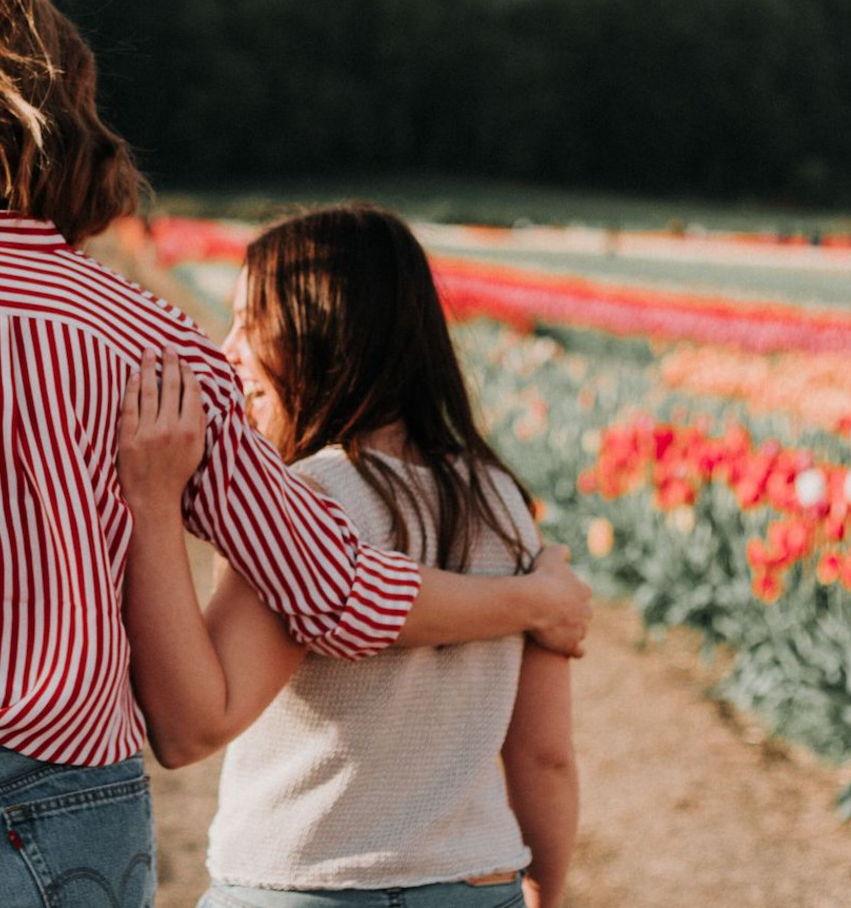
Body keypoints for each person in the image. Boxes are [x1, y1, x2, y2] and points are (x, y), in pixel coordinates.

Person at [0, 0, 591, 908]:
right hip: (64, 799)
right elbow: (332, 590)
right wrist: (527, 603)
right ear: (67, 111)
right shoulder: (148, 340)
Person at [115, 203, 578, 908]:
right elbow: (544, 755)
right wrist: (544, 884)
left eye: (250, 323)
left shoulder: (302, 499)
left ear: (320, 331)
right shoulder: (504, 503)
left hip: (306, 881)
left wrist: (153, 504)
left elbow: (189, 726)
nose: (228, 350)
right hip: (477, 886)